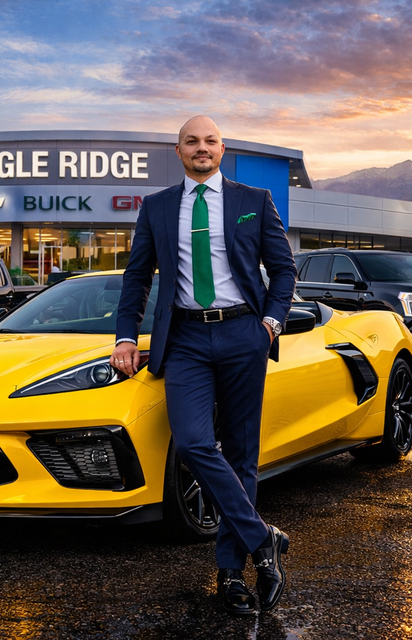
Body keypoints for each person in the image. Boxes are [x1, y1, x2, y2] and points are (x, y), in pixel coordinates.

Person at [111, 115, 298, 616]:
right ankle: (264, 538)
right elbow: (136, 278)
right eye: (191, 141)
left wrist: (270, 326)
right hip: (186, 338)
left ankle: (231, 573)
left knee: (241, 455)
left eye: (210, 141)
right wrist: (126, 336)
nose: (201, 148)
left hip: (244, 333)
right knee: (193, 442)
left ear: (222, 149)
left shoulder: (253, 201)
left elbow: (283, 270)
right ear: (178, 151)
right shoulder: (156, 207)